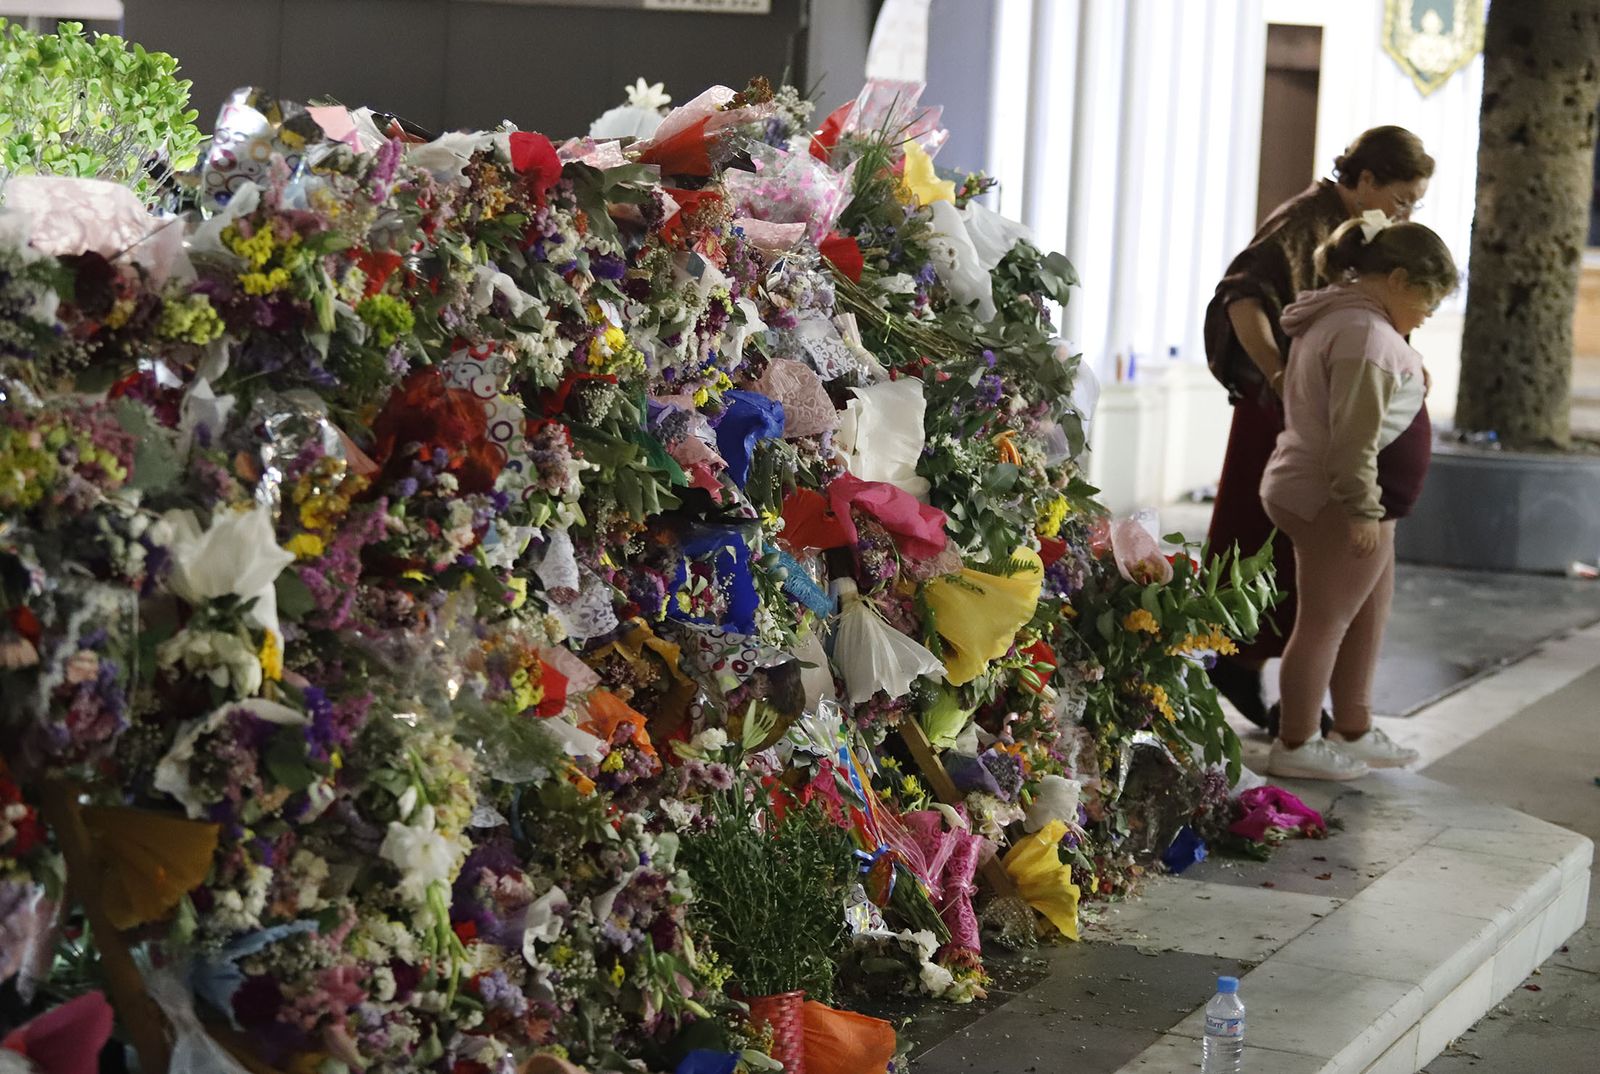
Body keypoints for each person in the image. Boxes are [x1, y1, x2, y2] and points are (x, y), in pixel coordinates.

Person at [1203, 126, 1434, 733]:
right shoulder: (1307, 217)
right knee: (1268, 545)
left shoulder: (1362, 233)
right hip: (1292, 404)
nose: (1404, 211)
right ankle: (1253, 675)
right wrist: (1277, 372)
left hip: (1322, 399)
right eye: (1401, 198)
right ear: (1363, 180)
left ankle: (1300, 697)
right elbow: (1242, 295)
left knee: (1311, 568)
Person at [1260, 216, 1458, 780]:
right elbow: (1353, 437)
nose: (1428, 313)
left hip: (1352, 499)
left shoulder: (1356, 324)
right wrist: (1362, 508)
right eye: (1429, 298)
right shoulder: (1363, 333)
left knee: (1368, 611)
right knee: (1325, 619)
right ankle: (1295, 742)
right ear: (1397, 278)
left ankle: (1354, 723)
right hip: (1334, 499)